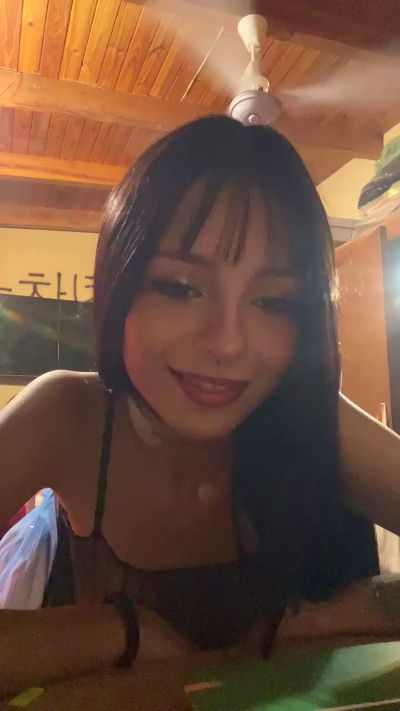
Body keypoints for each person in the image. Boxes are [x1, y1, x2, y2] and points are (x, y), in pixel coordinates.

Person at [1, 116, 399, 697]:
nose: (228, 342)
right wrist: (117, 632)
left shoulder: (311, 416)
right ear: (118, 283)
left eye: (273, 301)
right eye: (180, 287)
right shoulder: (67, 417)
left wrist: (342, 613)